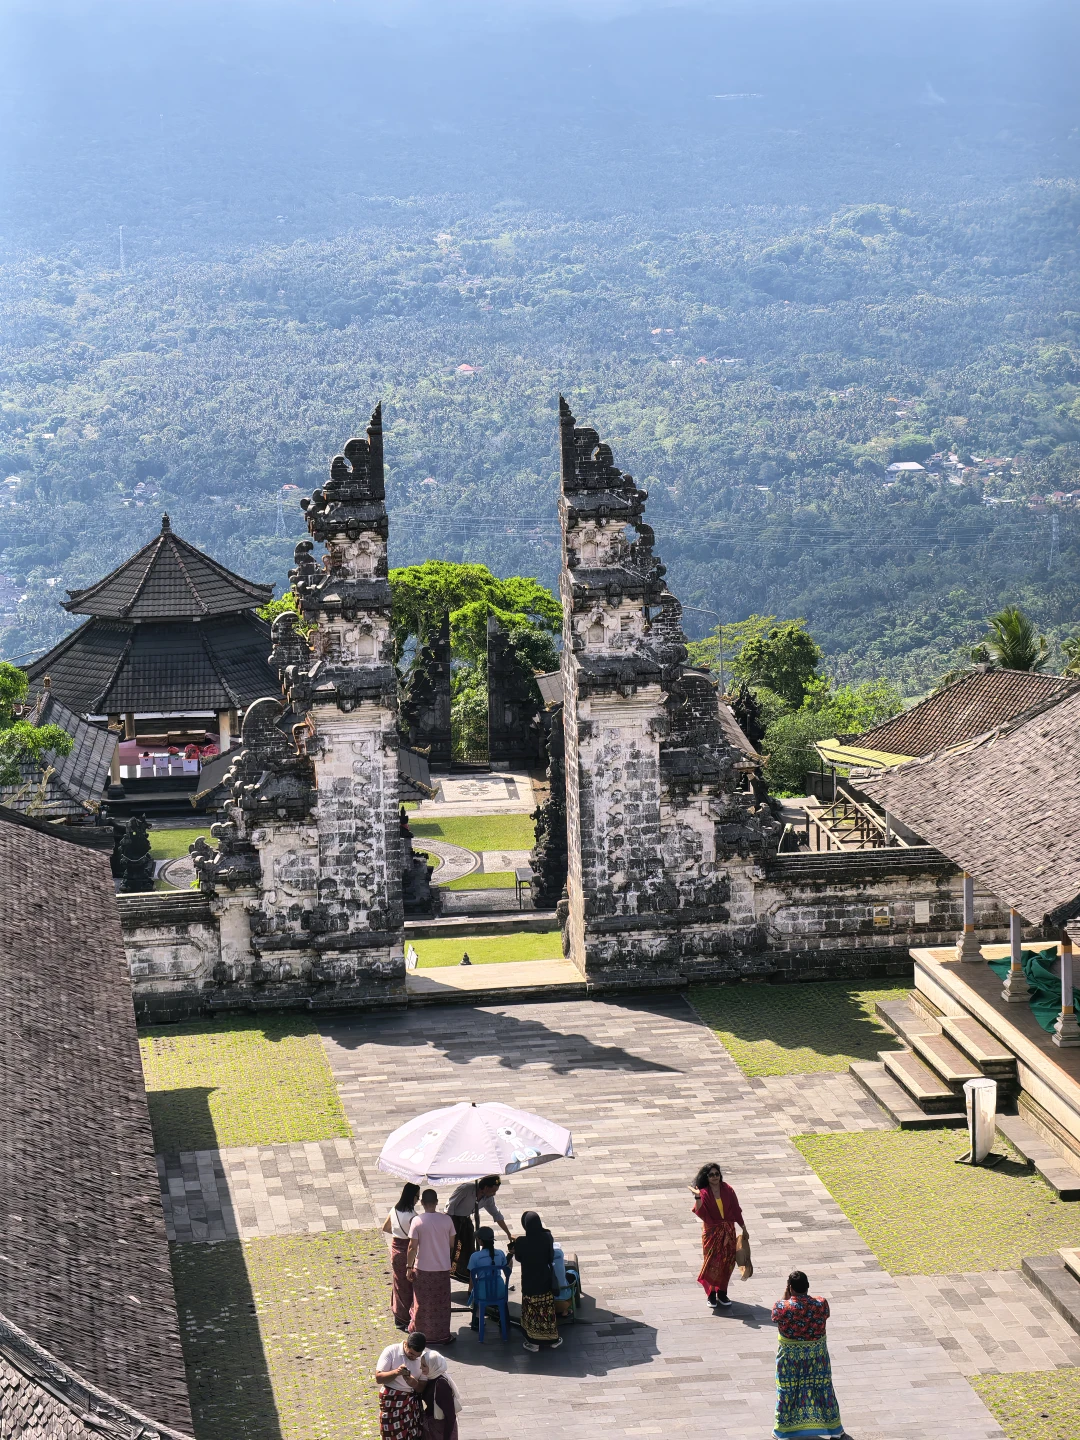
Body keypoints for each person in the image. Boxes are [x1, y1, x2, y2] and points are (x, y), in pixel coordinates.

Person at [771, 1271, 844, 1440]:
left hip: (790, 1359)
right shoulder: (821, 1303)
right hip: (817, 1358)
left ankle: (782, 1431)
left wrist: (786, 1295)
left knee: (787, 1391)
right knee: (824, 1389)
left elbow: (775, 1316)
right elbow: (826, 1315)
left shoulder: (782, 1308)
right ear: (808, 1286)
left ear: (790, 1288)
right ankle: (835, 1429)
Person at [691, 1162, 748, 1308]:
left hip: (728, 1231)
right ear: (706, 1177)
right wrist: (697, 1198)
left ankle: (722, 1292)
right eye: (711, 1175)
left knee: (727, 1262)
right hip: (712, 1233)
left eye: (717, 1174)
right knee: (712, 1262)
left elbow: (736, 1209)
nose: (715, 1177)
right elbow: (700, 1212)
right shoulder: (703, 1192)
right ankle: (711, 1294)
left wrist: (743, 1227)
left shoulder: (728, 1189)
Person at [407, 1189, 458, 1345]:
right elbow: (451, 1244)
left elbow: (412, 1247)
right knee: (441, 1303)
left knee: (421, 1302)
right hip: (442, 1268)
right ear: (437, 1202)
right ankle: (442, 1335)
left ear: (422, 1203)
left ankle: (421, 1335)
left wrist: (409, 1267)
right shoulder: (447, 1220)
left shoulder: (417, 1221)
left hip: (422, 1268)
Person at [511, 1210, 563, 1352]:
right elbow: (550, 1257)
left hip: (529, 1282)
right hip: (545, 1280)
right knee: (546, 1311)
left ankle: (533, 1342)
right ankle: (552, 1339)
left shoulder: (521, 1241)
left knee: (532, 1312)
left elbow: (519, 1258)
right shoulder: (547, 1237)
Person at [445, 1175, 512, 1281]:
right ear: (485, 1188)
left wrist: (508, 1233)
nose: (494, 1194)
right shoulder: (465, 1189)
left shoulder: (488, 1198)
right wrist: (448, 1228)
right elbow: (450, 1207)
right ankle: (446, 1272)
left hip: (466, 1220)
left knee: (469, 1248)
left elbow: (496, 1214)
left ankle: (467, 1278)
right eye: (493, 1191)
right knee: (451, 1248)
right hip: (452, 1220)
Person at [374, 1329, 428, 1440]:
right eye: (411, 1353)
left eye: (416, 1356)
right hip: (392, 1400)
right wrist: (396, 1372)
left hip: (411, 1402)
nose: (413, 1357)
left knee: (413, 1434)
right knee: (390, 1433)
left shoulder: (424, 1358)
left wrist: (414, 1383)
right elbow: (379, 1378)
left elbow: (422, 1387)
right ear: (405, 1344)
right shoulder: (391, 1351)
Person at [382, 1182, 421, 1328]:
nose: (418, 1199)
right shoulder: (414, 1217)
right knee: (409, 1284)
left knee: (398, 1284)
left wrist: (398, 1231)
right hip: (407, 1251)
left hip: (395, 1249)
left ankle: (398, 1316)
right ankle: (407, 1318)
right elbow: (416, 1239)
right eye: (418, 1196)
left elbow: (385, 1227)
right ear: (412, 1196)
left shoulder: (394, 1210)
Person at [466, 1226, 511, 1330]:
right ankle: (503, 1320)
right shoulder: (500, 1253)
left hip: (483, 1292)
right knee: (501, 1298)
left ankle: (477, 1321)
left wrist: (470, 1290)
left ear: (480, 1241)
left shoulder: (475, 1256)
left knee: (476, 1294)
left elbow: (472, 1276)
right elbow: (507, 1270)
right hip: (500, 1290)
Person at [420, 1348, 462, 1440]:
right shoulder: (432, 1378)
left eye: (424, 1365)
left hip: (441, 1431)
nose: (420, 1368)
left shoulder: (441, 1385)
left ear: (433, 1366)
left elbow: (450, 1416)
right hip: (433, 1428)